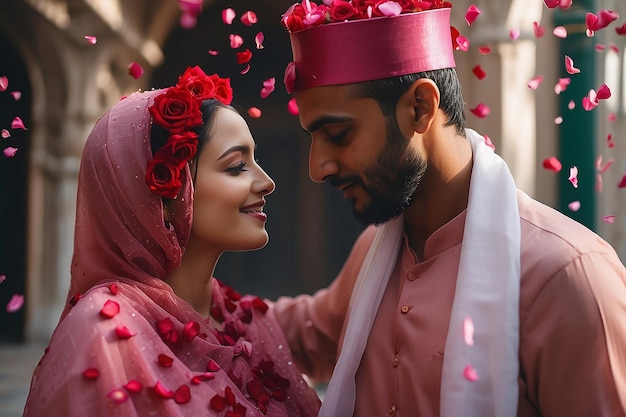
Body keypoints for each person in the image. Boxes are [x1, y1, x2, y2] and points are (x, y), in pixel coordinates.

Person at [272, 1, 626, 416]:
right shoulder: (376, 252)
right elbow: (298, 334)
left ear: (421, 107)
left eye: (337, 132)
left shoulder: (566, 277)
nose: (318, 167)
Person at [22, 66, 321, 417]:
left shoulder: (243, 318)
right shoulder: (105, 334)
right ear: (164, 194)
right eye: (237, 166)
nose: (267, 182)